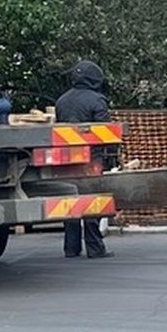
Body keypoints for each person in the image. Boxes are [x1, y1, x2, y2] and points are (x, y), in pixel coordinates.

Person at [55, 60, 114, 259]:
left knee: (70, 200)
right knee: (92, 201)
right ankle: (95, 247)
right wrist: (112, 156)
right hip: (91, 159)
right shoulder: (97, 100)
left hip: (66, 160)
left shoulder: (61, 101)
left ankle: (71, 248)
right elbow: (106, 133)